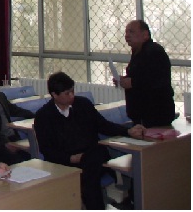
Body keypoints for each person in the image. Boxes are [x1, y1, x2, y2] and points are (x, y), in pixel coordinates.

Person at [34, 72, 145, 210]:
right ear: (54, 95)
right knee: (89, 176)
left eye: (72, 91)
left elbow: (103, 125)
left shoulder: (83, 104)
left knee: (91, 164)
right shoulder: (44, 116)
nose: (72, 96)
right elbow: (47, 149)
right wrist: (71, 158)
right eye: (67, 93)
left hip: (92, 154)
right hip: (66, 161)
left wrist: (127, 131)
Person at [115, 20, 176, 127]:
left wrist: (132, 82)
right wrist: (124, 80)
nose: (127, 35)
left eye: (131, 32)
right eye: (126, 32)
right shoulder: (138, 52)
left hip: (155, 115)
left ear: (145, 35)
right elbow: (140, 75)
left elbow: (157, 80)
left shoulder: (154, 52)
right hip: (142, 116)